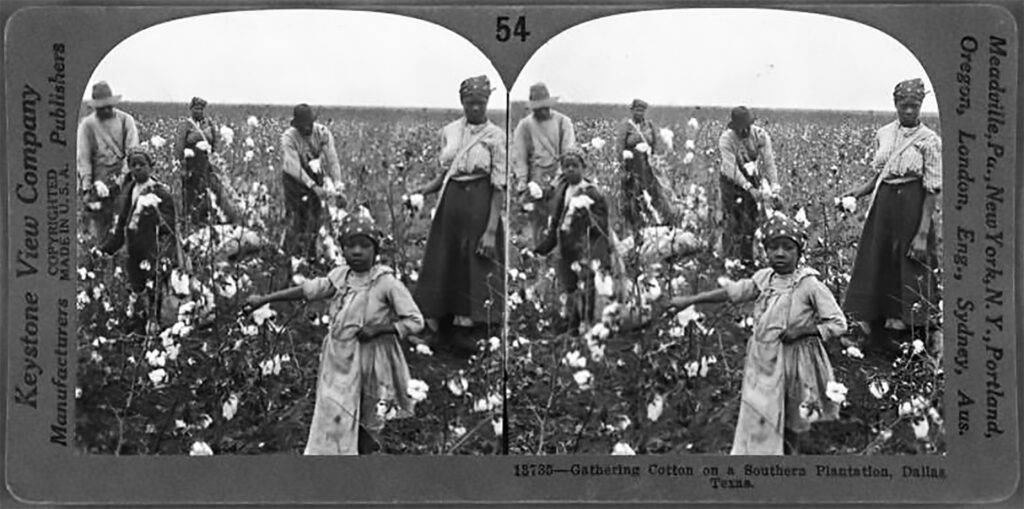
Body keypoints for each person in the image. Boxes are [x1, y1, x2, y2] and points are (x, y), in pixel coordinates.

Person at [662, 215, 847, 455]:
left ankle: (791, 460)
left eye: (788, 248)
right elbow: (733, 292)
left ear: (799, 253)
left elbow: (838, 322)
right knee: (761, 413)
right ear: (765, 251)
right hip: (762, 360)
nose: (780, 254)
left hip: (795, 364)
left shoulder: (808, 285)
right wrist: (690, 300)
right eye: (773, 247)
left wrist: (803, 330)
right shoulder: (764, 278)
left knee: (793, 416)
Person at [244, 215, 422, 455]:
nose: (357, 252)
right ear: (342, 248)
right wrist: (264, 299)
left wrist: (380, 329)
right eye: (351, 245)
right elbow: (308, 290)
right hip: (337, 358)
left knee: (365, 413)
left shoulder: (385, 283)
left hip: (368, 360)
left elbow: (415, 320)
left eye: (365, 246)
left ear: (375, 250)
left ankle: (360, 457)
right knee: (333, 408)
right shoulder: (340, 277)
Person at [840, 78, 941, 354]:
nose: (909, 111)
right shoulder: (884, 133)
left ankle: (909, 333)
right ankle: (872, 328)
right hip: (883, 205)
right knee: (877, 260)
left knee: (912, 264)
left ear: (921, 105)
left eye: (915, 105)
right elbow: (881, 173)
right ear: (895, 104)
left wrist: (922, 233)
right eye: (904, 105)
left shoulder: (930, 141)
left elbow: (932, 189)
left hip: (912, 205)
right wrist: (859, 191)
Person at [410, 75, 506, 357]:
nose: (475, 108)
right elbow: (446, 173)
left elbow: (499, 185)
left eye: (480, 102)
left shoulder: (496, 136)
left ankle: (473, 330)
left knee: (476, 265)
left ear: (487, 102)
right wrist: (424, 190)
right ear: (461, 101)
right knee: (443, 261)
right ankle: (438, 327)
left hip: (479, 204)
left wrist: (490, 230)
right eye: (470, 102)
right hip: (450, 205)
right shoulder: (449, 131)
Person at [100, 147, 185, 334]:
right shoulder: (130, 190)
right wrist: (107, 249)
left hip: (153, 251)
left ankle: (157, 327)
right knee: (136, 288)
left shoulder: (161, 193)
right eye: (133, 165)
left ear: (151, 167)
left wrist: (152, 215)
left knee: (155, 289)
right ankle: (139, 327)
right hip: (134, 251)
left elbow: (169, 226)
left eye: (141, 164)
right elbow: (122, 223)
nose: (137, 168)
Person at [534, 149, 611, 331]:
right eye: (566, 166)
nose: (570, 170)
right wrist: (547, 244)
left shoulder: (591, 192)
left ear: (583, 168)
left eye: (574, 166)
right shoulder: (563, 191)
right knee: (569, 286)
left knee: (586, 287)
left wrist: (588, 218)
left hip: (584, 248)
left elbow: (602, 221)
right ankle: (571, 323)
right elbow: (558, 219)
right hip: (566, 247)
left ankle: (585, 324)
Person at [511, 82, 578, 244]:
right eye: (538, 108)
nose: (542, 111)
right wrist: (523, 181)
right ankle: (535, 253)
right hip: (535, 177)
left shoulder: (563, 122)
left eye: (545, 107)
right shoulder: (525, 125)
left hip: (561, 176)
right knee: (535, 221)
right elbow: (520, 156)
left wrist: (556, 182)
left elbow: (568, 154)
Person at [77, 81, 140, 243]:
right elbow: (84, 159)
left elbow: (132, 153)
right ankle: (99, 257)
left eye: (108, 105)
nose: (105, 109)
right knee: (98, 228)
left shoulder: (126, 121)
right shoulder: (87, 126)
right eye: (101, 107)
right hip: (98, 181)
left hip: (124, 179)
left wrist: (121, 179)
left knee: (125, 224)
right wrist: (87, 187)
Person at [718, 106, 780, 266]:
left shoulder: (760, 136)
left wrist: (775, 188)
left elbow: (769, 162)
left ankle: (746, 260)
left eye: (747, 126)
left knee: (751, 220)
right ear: (735, 127)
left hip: (751, 177)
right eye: (740, 128)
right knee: (732, 219)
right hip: (730, 182)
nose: (744, 130)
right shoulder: (726, 139)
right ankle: (727, 258)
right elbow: (731, 168)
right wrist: (748, 188)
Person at [280, 103, 343, 261]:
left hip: (314, 174)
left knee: (315, 217)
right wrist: (313, 186)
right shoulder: (289, 137)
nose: (306, 129)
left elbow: (332, 160)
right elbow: (292, 166)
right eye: (302, 126)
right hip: (293, 179)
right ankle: (289, 255)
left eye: (308, 125)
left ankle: (310, 255)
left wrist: (338, 184)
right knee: (295, 216)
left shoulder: (322, 133)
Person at [174, 96, 239, 227]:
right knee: (191, 193)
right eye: (196, 108)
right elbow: (179, 146)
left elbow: (215, 143)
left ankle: (215, 217)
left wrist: (214, 157)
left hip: (206, 164)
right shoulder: (185, 125)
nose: (198, 111)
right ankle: (191, 221)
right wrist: (182, 164)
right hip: (191, 164)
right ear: (191, 109)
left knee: (212, 189)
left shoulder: (209, 124)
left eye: (201, 108)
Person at [615, 99, 675, 231]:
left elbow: (655, 145)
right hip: (632, 164)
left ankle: (664, 218)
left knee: (657, 191)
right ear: (632, 111)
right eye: (637, 110)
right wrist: (624, 158)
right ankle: (634, 221)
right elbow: (619, 147)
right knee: (633, 192)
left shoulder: (649, 125)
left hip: (648, 165)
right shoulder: (627, 126)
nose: (639, 113)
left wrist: (653, 156)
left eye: (642, 110)